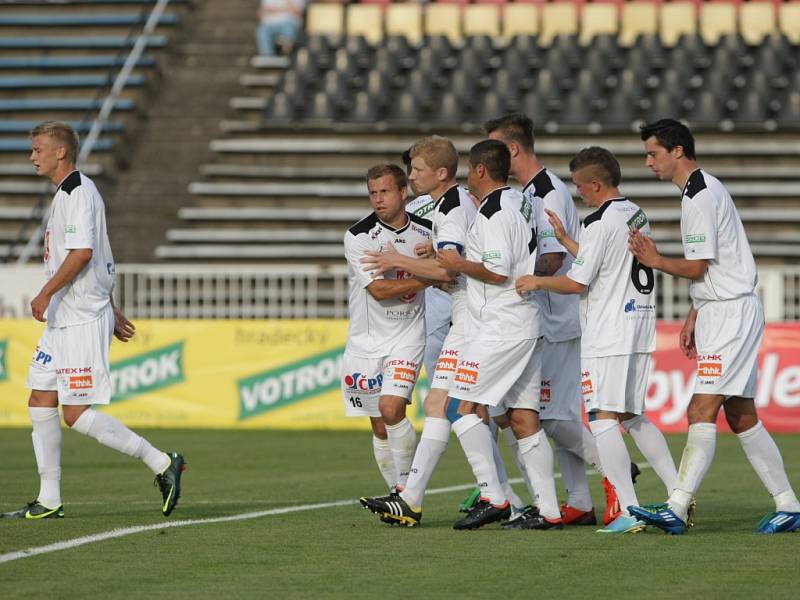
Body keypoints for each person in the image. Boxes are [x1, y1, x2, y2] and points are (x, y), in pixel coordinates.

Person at [1, 121, 184, 520]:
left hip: (80, 318)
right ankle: (49, 499)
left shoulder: (79, 192)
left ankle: (162, 463)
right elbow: (99, 256)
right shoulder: (66, 194)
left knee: (75, 414)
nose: (32, 157)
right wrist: (112, 306)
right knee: (40, 399)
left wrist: (48, 292)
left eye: (37, 149)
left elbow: (83, 252)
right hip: (66, 317)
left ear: (60, 152)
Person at [628, 119, 800, 534]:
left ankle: (676, 505)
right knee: (740, 416)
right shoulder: (700, 190)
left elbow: (699, 265)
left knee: (700, 408)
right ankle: (789, 505)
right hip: (721, 309)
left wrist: (656, 261)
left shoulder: (699, 197)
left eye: (654, 153)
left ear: (678, 152)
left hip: (731, 313)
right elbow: (712, 269)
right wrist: (694, 313)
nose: (649, 162)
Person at [359, 136, 528, 526]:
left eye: (416, 169)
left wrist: (399, 260)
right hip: (466, 315)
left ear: (440, 173)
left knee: (460, 407)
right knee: (439, 405)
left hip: (470, 318)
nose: (411, 176)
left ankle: (497, 496)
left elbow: (450, 271)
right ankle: (413, 499)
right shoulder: (455, 204)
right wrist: (432, 254)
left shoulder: (451, 209)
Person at [486, 113, 642, 527]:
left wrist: (515, 279)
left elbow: (555, 257)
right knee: (558, 417)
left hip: (558, 319)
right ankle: (578, 501)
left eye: (496, 147)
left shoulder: (548, 191)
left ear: (513, 149)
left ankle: (617, 470)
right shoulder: (527, 192)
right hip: (545, 317)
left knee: (552, 419)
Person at [516, 146, 678, 534]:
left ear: (597, 183)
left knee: (602, 419)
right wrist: (569, 241)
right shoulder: (634, 213)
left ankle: (628, 509)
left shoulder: (600, 221)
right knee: (634, 416)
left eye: (580, 186)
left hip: (608, 333)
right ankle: (679, 494)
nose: (578, 194)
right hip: (638, 327)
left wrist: (536, 280)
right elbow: (605, 261)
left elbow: (576, 282)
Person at [436, 139, 562, 530]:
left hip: (500, 327)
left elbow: (497, 271)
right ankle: (550, 512)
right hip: (524, 322)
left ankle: (494, 496)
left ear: (479, 170)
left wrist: (458, 262)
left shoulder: (492, 213)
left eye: (469, 170)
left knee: (459, 407)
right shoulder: (520, 201)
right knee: (523, 418)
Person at [342, 164, 432, 494]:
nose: (378, 199)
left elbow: (448, 267)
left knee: (391, 408)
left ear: (403, 192)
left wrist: (433, 263)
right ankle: (396, 490)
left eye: (385, 191)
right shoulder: (359, 236)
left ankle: (408, 492)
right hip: (366, 341)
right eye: (373, 193)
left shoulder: (427, 232)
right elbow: (378, 291)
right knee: (379, 425)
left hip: (407, 335)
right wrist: (427, 276)